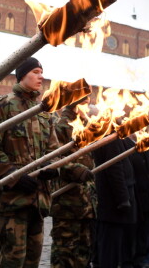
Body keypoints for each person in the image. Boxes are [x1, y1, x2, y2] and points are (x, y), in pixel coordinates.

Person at [0, 57, 60, 268]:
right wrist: (14, 176)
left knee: (32, 262)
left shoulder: (44, 112)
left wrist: (51, 168)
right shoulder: (3, 105)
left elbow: (53, 149)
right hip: (12, 202)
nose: (40, 76)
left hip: (37, 202)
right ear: (22, 75)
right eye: (34, 71)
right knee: (10, 262)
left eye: (42, 71)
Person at [50, 100, 96, 268]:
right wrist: (74, 170)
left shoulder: (86, 126)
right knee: (65, 253)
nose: (88, 106)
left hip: (86, 201)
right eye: (85, 102)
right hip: (67, 202)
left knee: (83, 252)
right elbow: (52, 157)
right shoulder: (61, 125)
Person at [94, 136, 137, 268]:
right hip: (114, 205)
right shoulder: (110, 138)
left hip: (117, 202)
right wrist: (123, 198)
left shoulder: (119, 137)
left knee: (116, 247)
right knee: (110, 249)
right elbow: (115, 169)